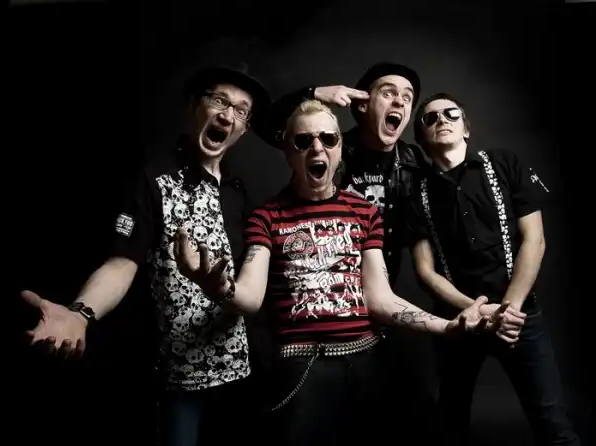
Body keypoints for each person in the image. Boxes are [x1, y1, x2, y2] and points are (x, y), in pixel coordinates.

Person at [174, 99, 507, 446]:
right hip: (303, 366)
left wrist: (448, 326)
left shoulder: (365, 213)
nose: (317, 148)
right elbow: (251, 297)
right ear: (288, 152)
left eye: (328, 139)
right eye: (304, 141)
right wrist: (218, 287)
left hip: (367, 361)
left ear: (339, 148)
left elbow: (380, 299)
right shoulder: (267, 217)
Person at [19, 64, 271, 446]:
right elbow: (122, 263)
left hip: (240, 376)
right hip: (177, 380)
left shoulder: (238, 191)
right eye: (219, 101)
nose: (227, 115)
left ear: (244, 128)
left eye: (240, 110)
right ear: (195, 106)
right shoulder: (153, 180)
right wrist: (81, 312)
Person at [259, 62, 438, 441]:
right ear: (362, 103)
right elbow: (268, 125)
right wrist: (314, 93)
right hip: (319, 309)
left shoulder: (413, 164)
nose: (400, 102)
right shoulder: (330, 143)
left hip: (381, 300)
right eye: (388, 92)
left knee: (397, 415)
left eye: (407, 97)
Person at [408, 92, 581, 445]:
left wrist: (508, 311)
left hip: (519, 319)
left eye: (451, 113)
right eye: (430, 118)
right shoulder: (415, 193)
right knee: (450, 426)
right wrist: (475, 310)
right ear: (422, 138)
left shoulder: (505, 163)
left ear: (466, 128)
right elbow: (425, 272)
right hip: (459, 322)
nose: (441, 120)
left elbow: (535, 240)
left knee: (553, 427)